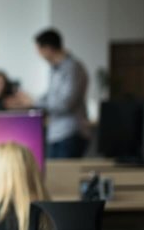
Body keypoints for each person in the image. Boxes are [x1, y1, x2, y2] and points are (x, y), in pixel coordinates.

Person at [6, 28, 90, 158]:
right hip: (56, 132)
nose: (39, 55)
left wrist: (34, 102)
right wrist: (29, 100)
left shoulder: (73, 68)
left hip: (70, 132)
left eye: (39, 50)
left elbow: (65, 103)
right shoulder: (54, 69)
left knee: (64, 176)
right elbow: (51, 95)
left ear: (48, 48)